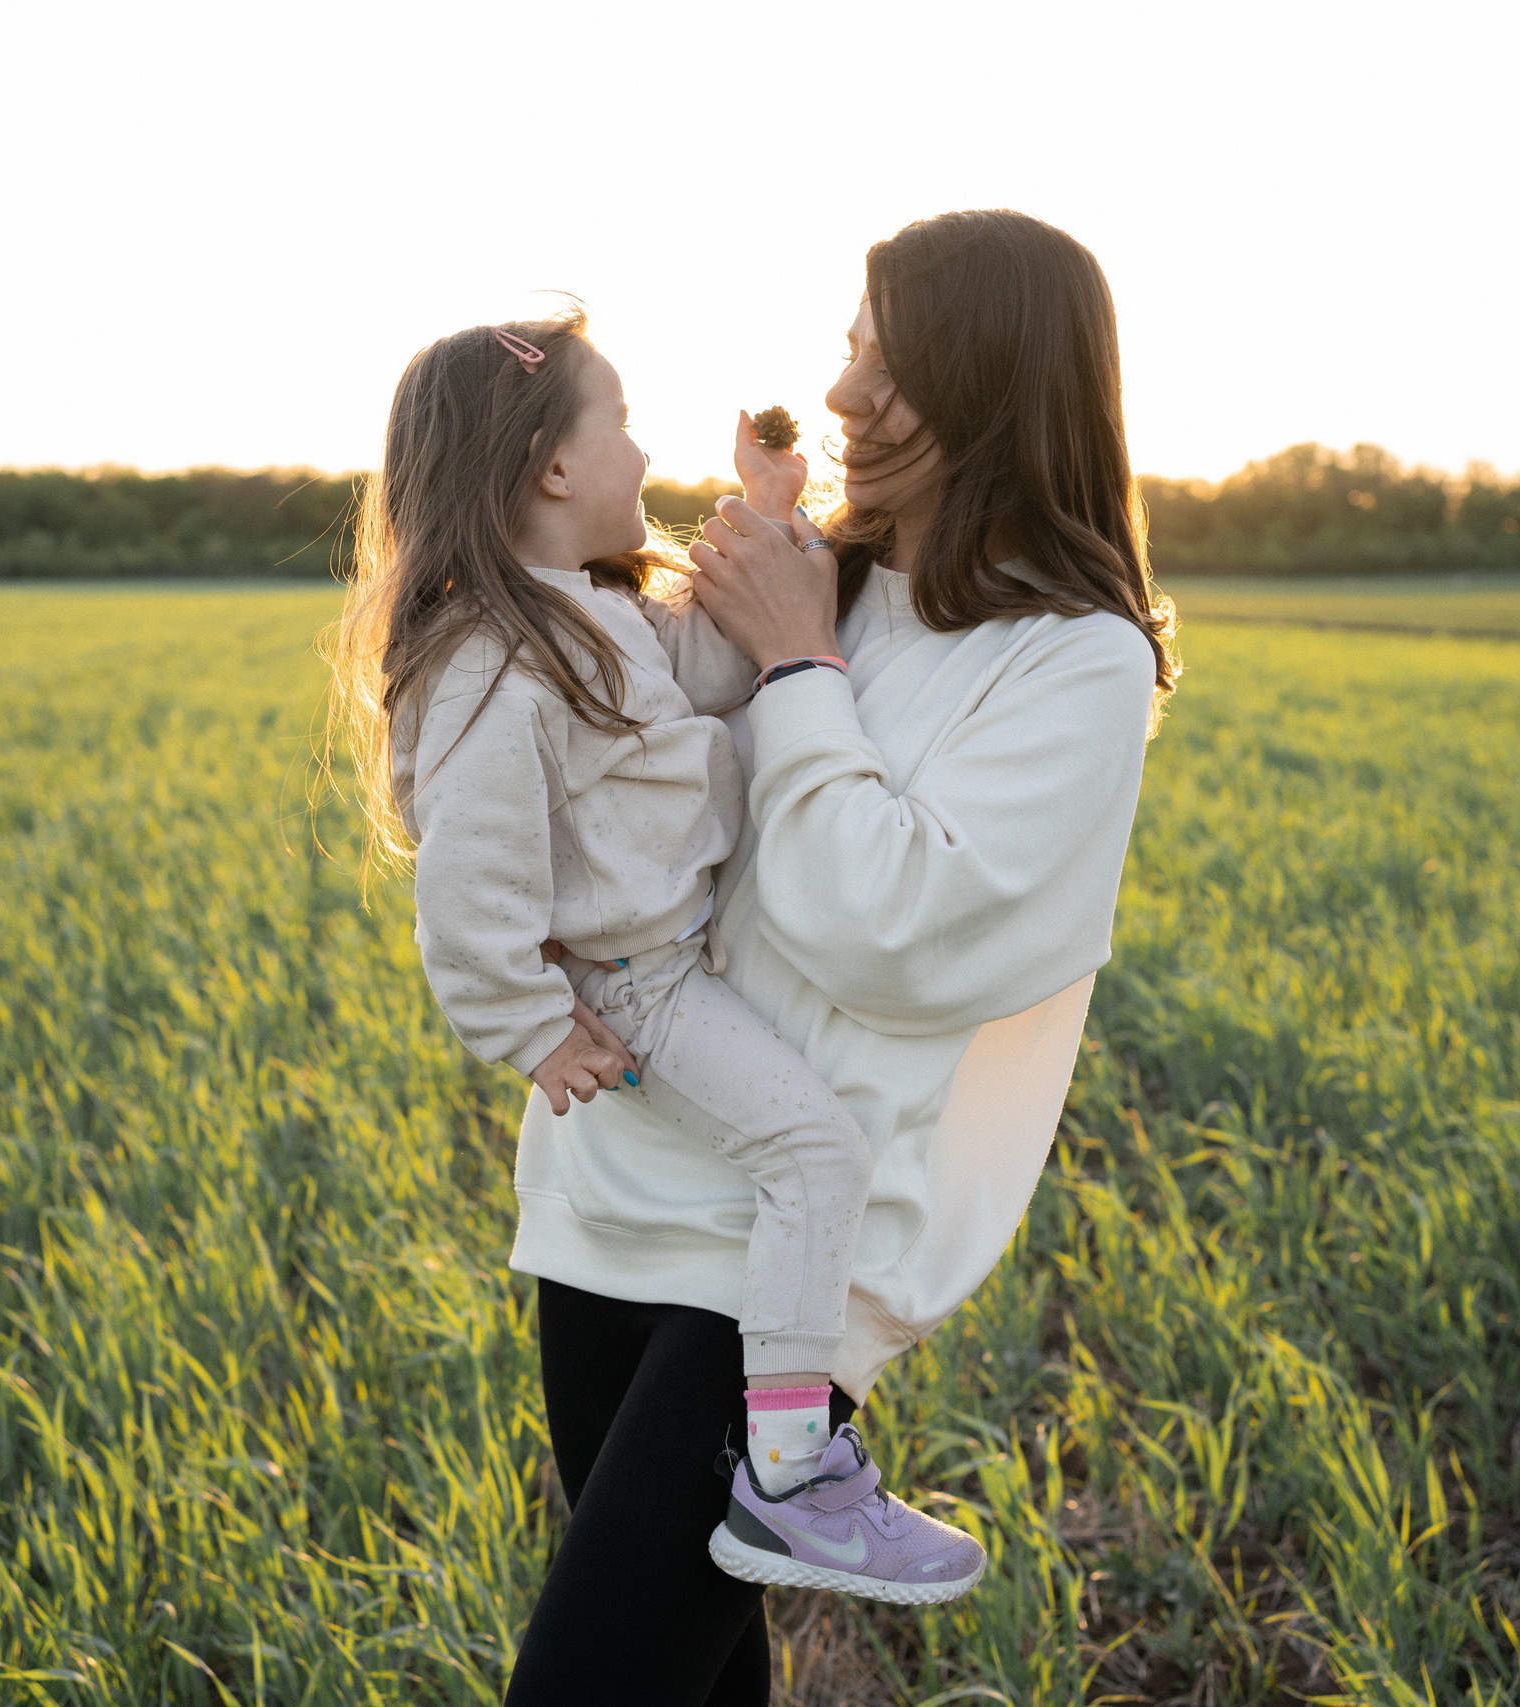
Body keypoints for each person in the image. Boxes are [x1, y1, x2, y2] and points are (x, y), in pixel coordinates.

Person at [497, 210, 1179, 1706]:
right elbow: (616, 784)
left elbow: (893, 933)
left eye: (897, 365)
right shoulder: (809, 582)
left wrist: (801, 664)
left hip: (782, 1265)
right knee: (695, 1685)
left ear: (1000, 388)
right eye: (852, 350)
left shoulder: (1074, 655)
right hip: (610, 1186)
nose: (847, 396)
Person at [326, 309, 988, 1612]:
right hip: (639, 985)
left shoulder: (587, 614)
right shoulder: (490, 662)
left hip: (672, 959)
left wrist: (768, 514)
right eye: (620, 423)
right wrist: (528, 1022)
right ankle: (791, 1473)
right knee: (816, 1153)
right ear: (552, 468)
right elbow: (468, 882)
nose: (641, 451)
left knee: (806, 1153)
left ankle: (785, 1465)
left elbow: (712, 660)